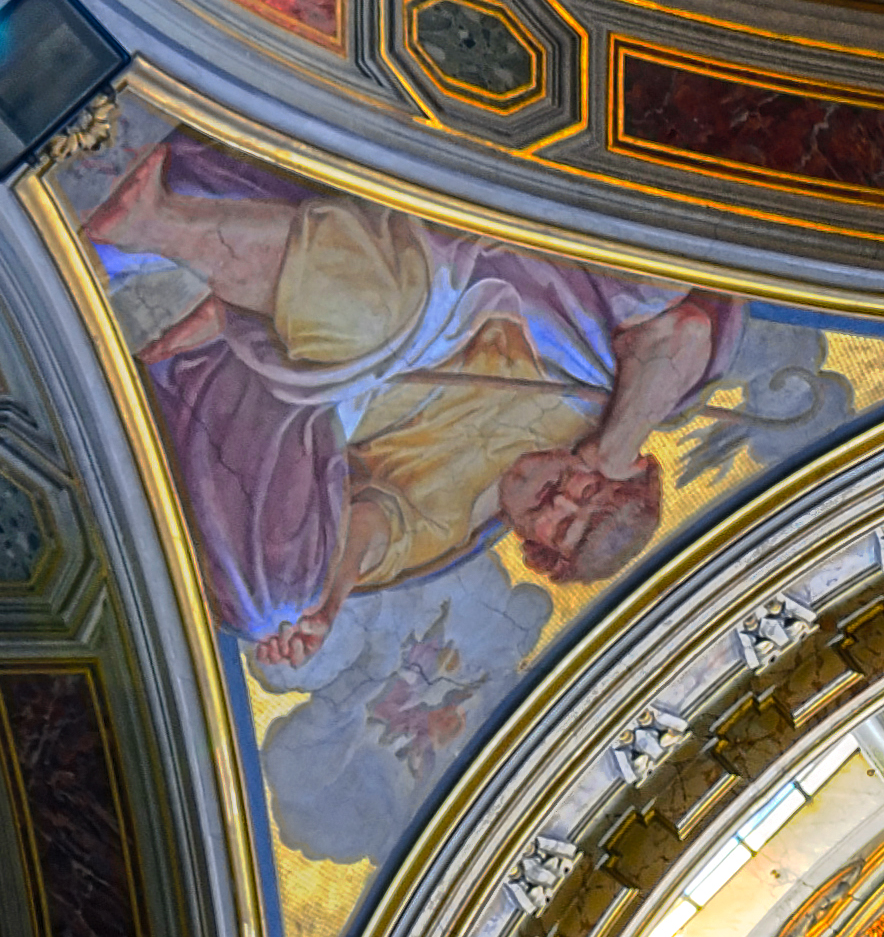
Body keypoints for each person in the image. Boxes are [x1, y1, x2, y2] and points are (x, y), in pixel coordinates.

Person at [86, 133, 739, 668]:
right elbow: (685, 330)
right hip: (433, 275)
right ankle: (165, 225)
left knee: (270, 597)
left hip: (321, 373)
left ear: (535, 549)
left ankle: (191, 265)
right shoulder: (594, 397)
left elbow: (367, 531)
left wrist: (328, 605)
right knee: (382, 312)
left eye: (562, 527)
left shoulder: (453, 522)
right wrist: (613, 448)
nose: (560, 499)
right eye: (588, 491)